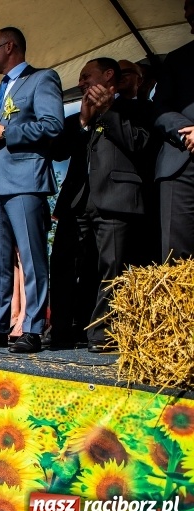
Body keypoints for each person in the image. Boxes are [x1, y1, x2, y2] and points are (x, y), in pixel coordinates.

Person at [0, 26, 64, 354]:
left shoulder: (42, 79)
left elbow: (53, 126)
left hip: (25, 181)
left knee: (32, 257)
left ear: (10, 47)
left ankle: (33, 329)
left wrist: (5, 131)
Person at [52, 58, 155, 353]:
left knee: (111, 267)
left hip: (116, 200)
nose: (81, 82)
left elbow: (139, 144)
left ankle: (101, 333)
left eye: (87, 76)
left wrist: (109, 112)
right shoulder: (79, 116)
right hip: (76, 202)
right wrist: (83, 122)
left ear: (109, 75)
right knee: (64, 264)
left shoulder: (138, 110)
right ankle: (61, 330)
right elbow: (58, 152)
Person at [154, 0, 194, 260]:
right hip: (181, 163)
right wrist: (186, 129)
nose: (187, 13)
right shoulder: (178, 59)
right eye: (187, 8)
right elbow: (159, 108)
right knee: (176, 258)